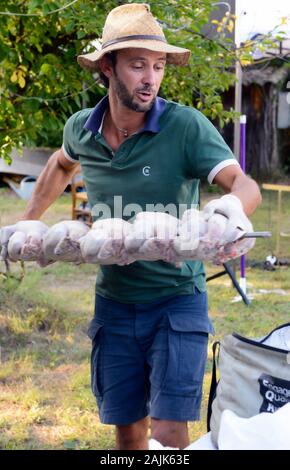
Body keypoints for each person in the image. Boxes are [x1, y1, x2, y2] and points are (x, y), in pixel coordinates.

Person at [20, 3, 262, 450]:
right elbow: (59, 163)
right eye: (138, 66)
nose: (151, 78)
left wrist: (229, 210)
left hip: (177, 301)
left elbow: (244, 184)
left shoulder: (185, 127)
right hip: (114, 302)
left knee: (169, 438)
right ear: (108, 67)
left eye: (158, 66)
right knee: (129, 435)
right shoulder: (82, 129)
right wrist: (26, 225)